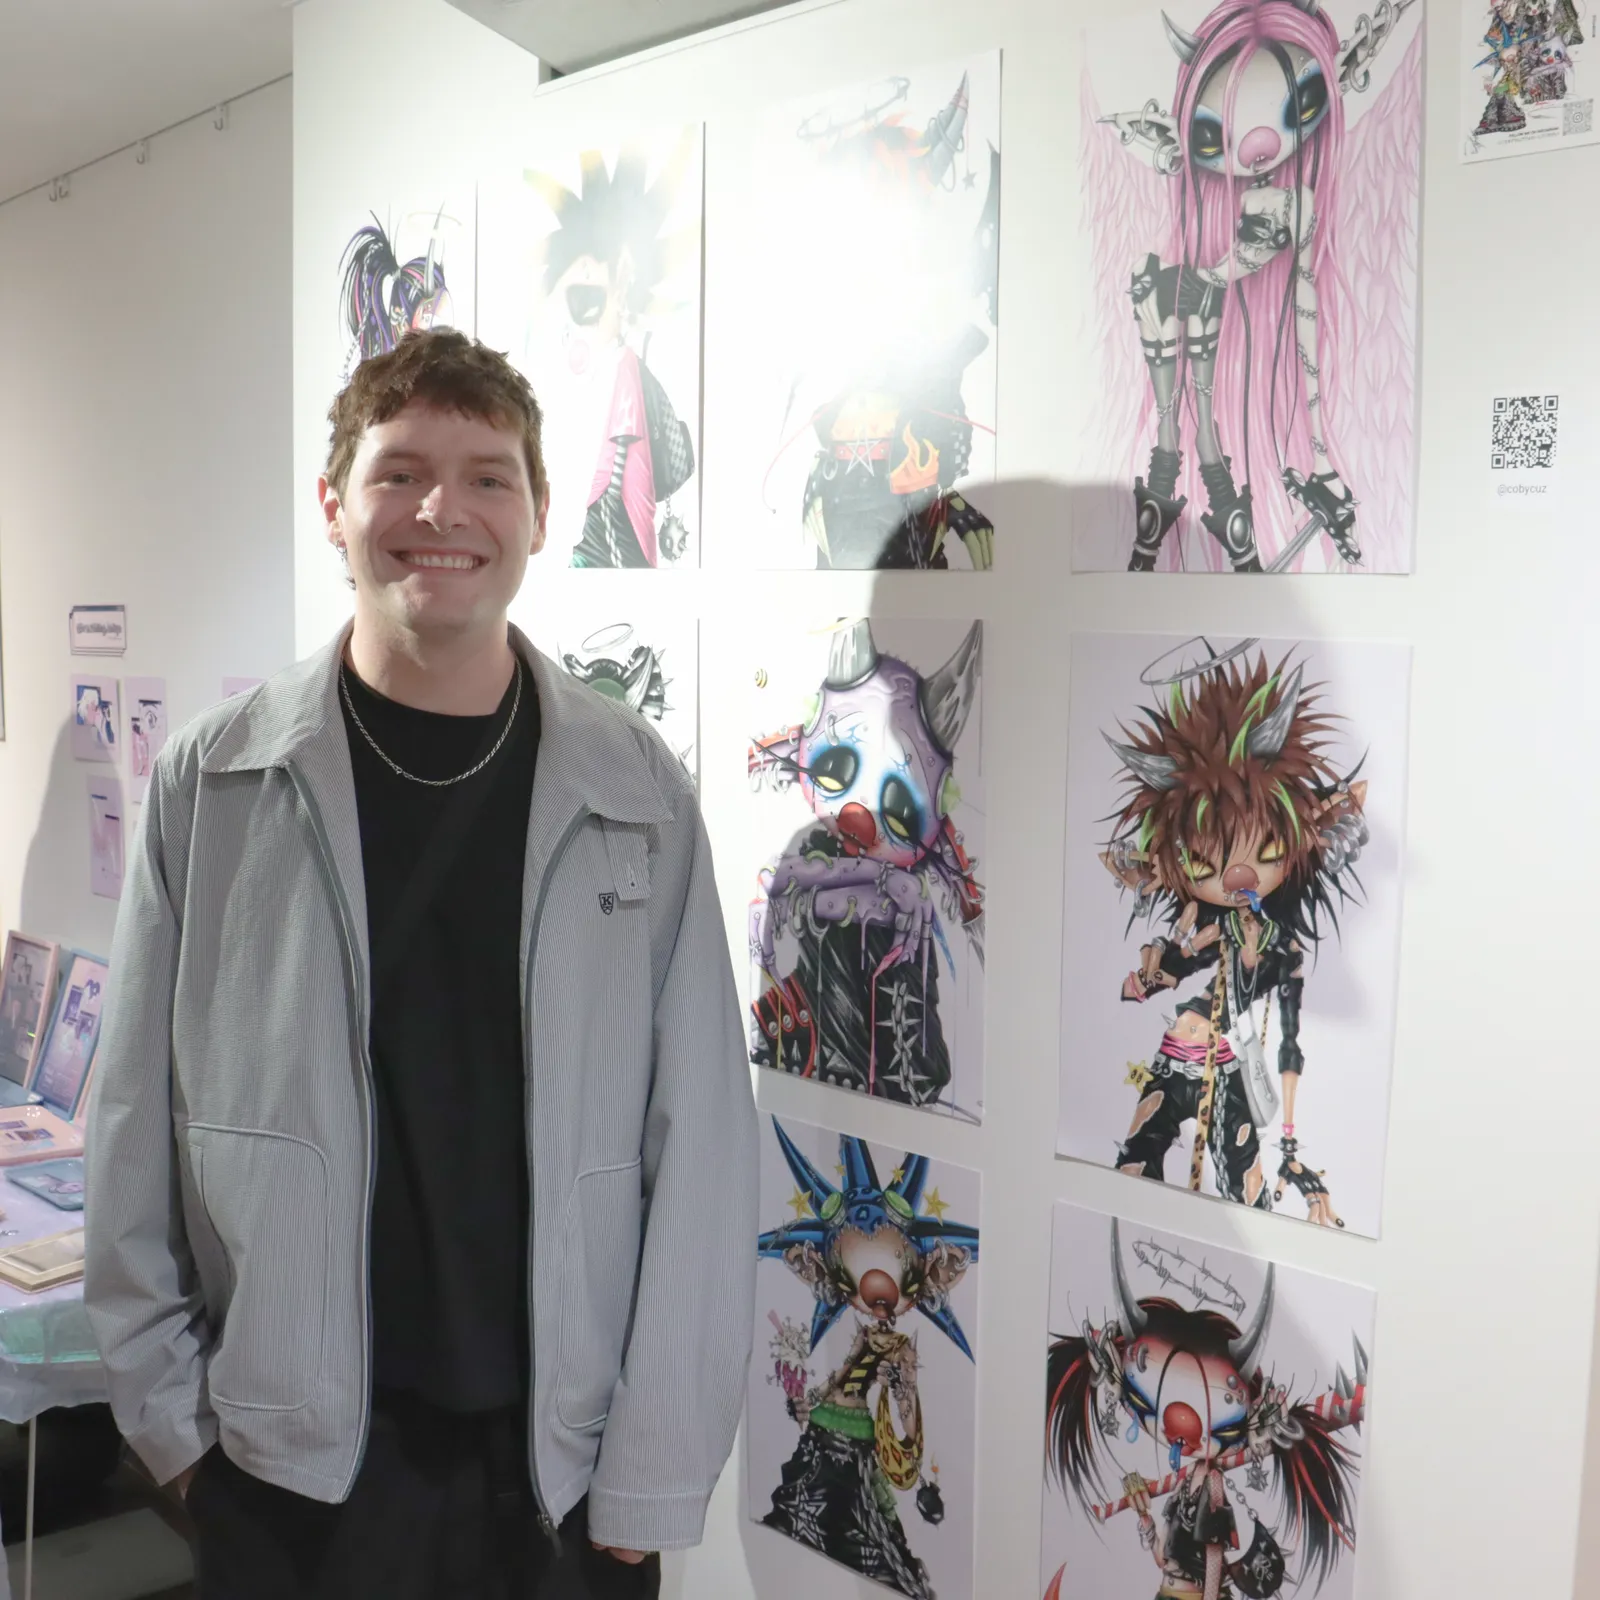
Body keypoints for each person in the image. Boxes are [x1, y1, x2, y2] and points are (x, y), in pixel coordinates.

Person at [84, 327, 758, 1599]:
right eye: (399, 472)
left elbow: (704, 1147)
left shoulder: (636, 789)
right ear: (334, 505)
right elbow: (130, 1126)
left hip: (560, 1482)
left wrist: (655, 1472)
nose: (442, 511)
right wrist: (177, 1440)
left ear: (539, 512)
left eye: (487, 476)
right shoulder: (216, 780)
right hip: (288, 1481)